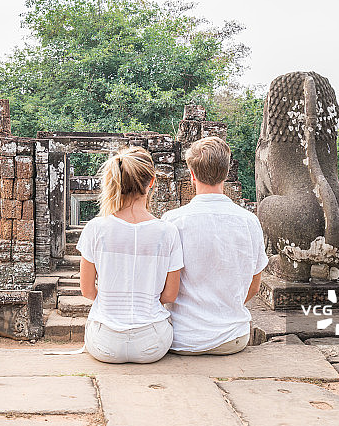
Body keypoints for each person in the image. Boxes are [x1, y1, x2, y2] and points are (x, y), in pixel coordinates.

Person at [162, 136, 268, 355]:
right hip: (233, 337)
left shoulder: (173, 221)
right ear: (227, 173)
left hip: (182, 337)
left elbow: (163, 285)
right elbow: (254, 286)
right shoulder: (249, 221)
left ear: (192, 174)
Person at [76, 146, 183, 363]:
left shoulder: (96, 228)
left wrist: (111, 305)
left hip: (104, 342)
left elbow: (87, 291)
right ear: (151, 181)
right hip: (152, 344)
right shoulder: (167, 231)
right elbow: (170, 295)